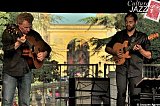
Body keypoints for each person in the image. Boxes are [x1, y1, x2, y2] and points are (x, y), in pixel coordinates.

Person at [1, 12, 52, 106]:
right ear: (19, 24)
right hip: (10, 71)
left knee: (25, 102)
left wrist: (44, 54)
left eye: (30, 27)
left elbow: (47, 48)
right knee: (7, 101)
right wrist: (18, 43)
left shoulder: (33, 34)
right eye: (25, 27)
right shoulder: (9, 32)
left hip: (26, 71)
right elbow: (6, 50)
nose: (28, 29)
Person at [105, 12, 152, 106]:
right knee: (121, 94)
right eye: (126, 22)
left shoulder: (142, 37)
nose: (128, 24)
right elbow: (107, 48)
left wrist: (141, 50)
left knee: (135, 96)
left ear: (136, 22)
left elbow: (149, 55)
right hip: (121, 69)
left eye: (130, 22)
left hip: (135, 70)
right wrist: (115, 52)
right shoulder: (119, 35)